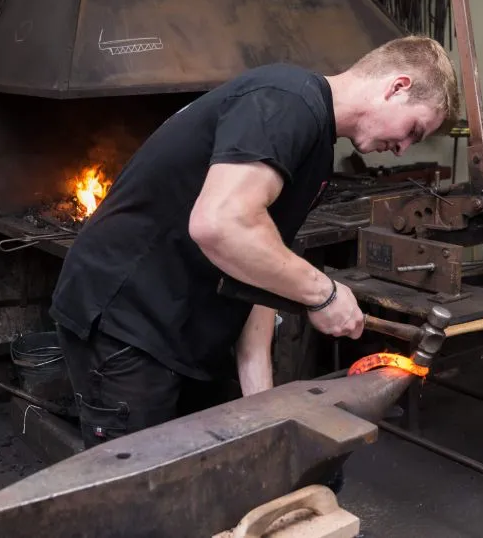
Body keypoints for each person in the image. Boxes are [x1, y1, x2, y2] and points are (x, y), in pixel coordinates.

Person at [50, 35, 459, 451]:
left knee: (209, 465)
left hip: (180, 328)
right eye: (413, 131)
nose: (402, 150)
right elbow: (220, 224)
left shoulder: (317, 147)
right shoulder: (287, 100)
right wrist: (324, 293)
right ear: (397, 87)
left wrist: (262, 403)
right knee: (140, 481)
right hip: (124, 320)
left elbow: (260, 269)